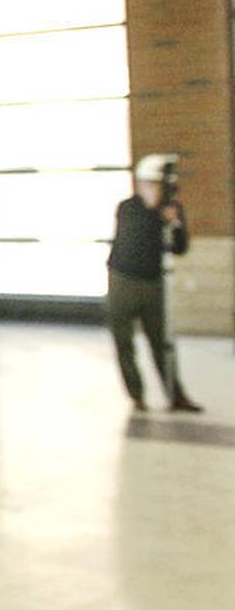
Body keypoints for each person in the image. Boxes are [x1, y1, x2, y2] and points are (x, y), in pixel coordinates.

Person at [107, 152, 202, 414]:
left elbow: (180, 247)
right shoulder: (128, 207)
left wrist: (175, 222)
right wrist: (153, 211)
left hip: (153, 284)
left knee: (162, 341)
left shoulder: (172, 210)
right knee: (123, 340)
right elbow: (132, 240)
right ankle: (136, 395)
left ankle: (175, 394)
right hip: (123, 280)